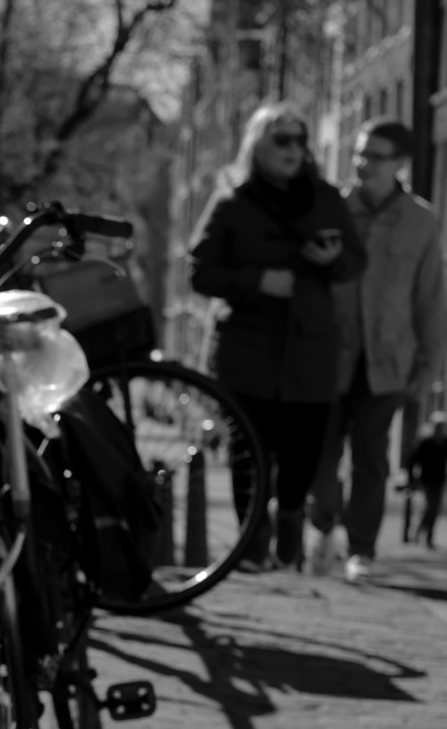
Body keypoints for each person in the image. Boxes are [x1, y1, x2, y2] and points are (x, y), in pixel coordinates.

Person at [189, 101, 365, 569]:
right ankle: (250, 549)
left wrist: (332, 261)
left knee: (302, 455)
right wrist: (257, 281)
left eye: (298, 140)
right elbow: (200, 272)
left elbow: (356, 261)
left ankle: (289, 529)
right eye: (281, 140)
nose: (293, 149)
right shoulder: (231, 200)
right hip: (248, 351)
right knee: (249, 453)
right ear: (257, 145)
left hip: (310, 350)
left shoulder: (327, 198)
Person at [308, 119, 446, 583]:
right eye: (360, 153)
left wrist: (428, 366)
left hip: (388, 360)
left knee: (371, 458)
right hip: (330, 357)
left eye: (375, 156)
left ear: (400, 163)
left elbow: (430, 298)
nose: (363, 163)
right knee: (321, 457)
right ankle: (323, 524)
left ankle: (361, 549)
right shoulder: (333, 208)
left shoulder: (421, 220)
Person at [407, 410, 447, 547]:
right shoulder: (426, 443)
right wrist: (412, 478)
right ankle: (423, 532)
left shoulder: (445, 442)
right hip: (427, 480)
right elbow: (413, 460)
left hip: (440, 480)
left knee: (435, 509)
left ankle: (427, 534)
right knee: (431, 507)